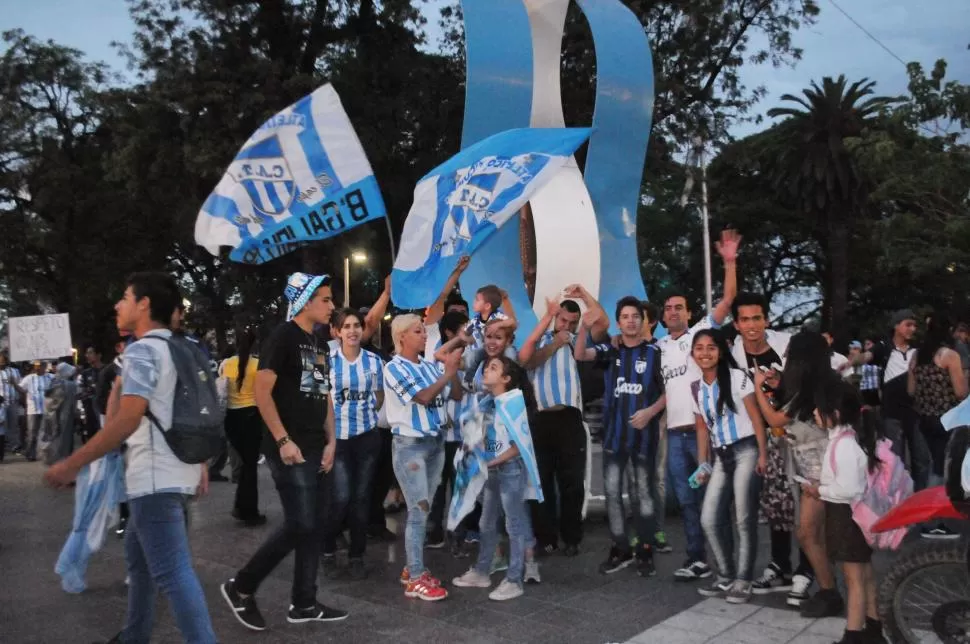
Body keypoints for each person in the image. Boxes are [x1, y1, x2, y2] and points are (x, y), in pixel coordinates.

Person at [44, 271, 217, 643]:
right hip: (175, 470)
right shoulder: (181, 348)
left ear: (144, 305)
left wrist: (72, 463)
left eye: (124, 297)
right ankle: (134, 635)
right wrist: (199, 462)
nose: (117, 305)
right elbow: (185, 410)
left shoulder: (142, 351)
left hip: (153, 476)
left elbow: (126, 419)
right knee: (139, 564)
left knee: (172, 573)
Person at [221, 272, 348, 632]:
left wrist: (332, 441)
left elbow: (322, 394)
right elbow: (262, 393)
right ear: (306, 301)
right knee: (301, 523)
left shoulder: (319, 343)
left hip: (315, 444)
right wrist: (282, 440)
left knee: (314, 525)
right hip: (288, 447)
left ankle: (304, 602)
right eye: (325, 299)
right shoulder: (283, 337)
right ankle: (241, 586)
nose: (331, 306)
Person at [656, 228, 740, 581]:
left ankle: (727, 561)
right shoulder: (657, 347)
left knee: (716, 500)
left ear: (689, 313)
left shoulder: (700, 335)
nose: (673, 312)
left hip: (708, 432)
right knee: (688, 501)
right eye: (668, 308)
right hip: (676, 436)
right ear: (662, 316)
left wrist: (729, 261)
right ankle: (697, 558)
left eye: (679, 307)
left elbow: (729, 297)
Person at [753, 332, 843, 617]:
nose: (786, 358)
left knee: (810, 533)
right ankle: (828, 589)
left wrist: (758, 388)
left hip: (824, 472)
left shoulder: (815, 389)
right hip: (813, 472)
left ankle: (830, 591)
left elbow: (776, 418)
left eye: (790, 353)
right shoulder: (814, 387)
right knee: (810, 533)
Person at [575, 296, 666, 577]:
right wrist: (582, 328)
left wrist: (650, 412)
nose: (630, 320)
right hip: (614, 435)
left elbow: (669, 391)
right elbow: (581, 355)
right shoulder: (611, 350)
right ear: (619, 322)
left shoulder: (655, 352)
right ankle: (620, 548)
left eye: (635, 316)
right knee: (613, 494)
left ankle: (646, 550)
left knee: (644, 495)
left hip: (643, 437)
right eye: (625, 316)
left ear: (643, 320)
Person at [728, 292, 810, 602]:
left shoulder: (787, 348)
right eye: (745, 319)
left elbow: (809, 388)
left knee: (802, 507)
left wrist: (782, 384)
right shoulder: (733, 356)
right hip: (760, 440)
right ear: (736, 324)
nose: (751, 325)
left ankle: (806, 570)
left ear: (767, 320)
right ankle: (780, 565)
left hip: (797, 439)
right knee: (776, 506)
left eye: (757, 318)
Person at [384, 314, 463, 601]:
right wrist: (446, 373)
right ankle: (415, 578)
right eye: (417, 331)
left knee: (424, 510)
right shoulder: (394, 368)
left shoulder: (429, 367)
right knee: (418, 511)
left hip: (435, 442)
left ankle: (413, 568)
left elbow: (454, 395)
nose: (424, 335)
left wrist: (451, 372)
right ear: (402, 336)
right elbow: (424, 397)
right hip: (411, 446)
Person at [452, 356, 544, 601]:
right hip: (493, 469)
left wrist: (490, 461)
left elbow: (519, 446)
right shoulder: (487, 402)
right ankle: (482, 571)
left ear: (506, 378)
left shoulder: (513, 404)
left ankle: (514, 579)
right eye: (486, 367)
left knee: (513, 525)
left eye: (493, 368)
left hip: (510, 469)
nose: (486, 371)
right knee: (486, 522)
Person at [807, 378, 888, 644]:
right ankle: (874, 629)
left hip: (846, 516)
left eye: (819, 409)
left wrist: (819, 490)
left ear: (836, 413)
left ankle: (853, 635)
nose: (814, 413)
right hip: (855, 515)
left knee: (853, 578)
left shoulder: (843, 444)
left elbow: (847, 489)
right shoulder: (850, 438)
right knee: (864, 574)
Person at [689, 329, 767, 604]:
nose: (705, 353)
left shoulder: (736, 378)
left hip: (746, 450)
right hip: (720, 457)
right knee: (709, 518)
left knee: (744, 520)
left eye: (711, 347)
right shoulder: (696, 388)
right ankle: (725, 575)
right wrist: (703, 465)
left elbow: (757, 418)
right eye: (699, 348)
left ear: (720, 351)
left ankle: (743, 580)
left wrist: (763, 455)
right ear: (692, 354)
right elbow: (701, 429)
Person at [518, 295, 589, 557]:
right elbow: (526, 361)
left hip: (570, 419)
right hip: (542, 419)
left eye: (572, 322)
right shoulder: (542, 339)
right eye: (563, 320)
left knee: (572, 482)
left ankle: (572, 538)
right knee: (542, 482)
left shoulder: (578, 343)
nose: (567, 326)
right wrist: (555, 342)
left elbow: (600, 325)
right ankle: (545, 538)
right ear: (554, 319)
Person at [320, 308, 385, 580]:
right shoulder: (323, 360)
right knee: (342, 497)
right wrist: (328, 439)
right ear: (336, 331)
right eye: (346, 326)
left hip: (367, 437)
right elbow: (317, 399)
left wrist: (367, 414)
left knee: (361, 498)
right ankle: (327, 547)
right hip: (338, 440)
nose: (352, 331)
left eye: (356, 325)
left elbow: (379, 396)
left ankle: (357, 554)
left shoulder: (374, 361)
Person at [908, 312, 968, 539]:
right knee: (941, 469)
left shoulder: (917, 356)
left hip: (924, 419)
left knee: (931, 466)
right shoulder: (950, 355)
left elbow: (910, 391)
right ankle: (932, 521)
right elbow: (961, 391)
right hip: (947, 418)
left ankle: (924, 516)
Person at [220, 325, 265, 526]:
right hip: (252, 417)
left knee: (246, 465)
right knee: (250, 466)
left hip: (231, 418)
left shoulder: (225, 364)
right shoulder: (258, 365)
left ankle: (243, 506)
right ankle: (248, 510)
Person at [21, 360, 53, 461]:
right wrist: (13, 383)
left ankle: (45, 454)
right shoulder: (29, 378)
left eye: (40, 366)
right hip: (33, 410)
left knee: (46, 433)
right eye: (36, 366)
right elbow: (21, 389)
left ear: (45, 366)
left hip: (46, 410)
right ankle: (30, 453)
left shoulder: (50, 377)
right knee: (32, 433)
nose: (37, 367)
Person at [0, 352, 23, 457]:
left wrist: (14, 383)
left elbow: (21, 387)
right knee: (2, 426)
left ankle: (15, 447)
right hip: (1, 404)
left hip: (13, 402)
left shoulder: (15, 371)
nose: (1, 363)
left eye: (3, 361)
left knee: (14, 425)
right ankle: (4, 447)